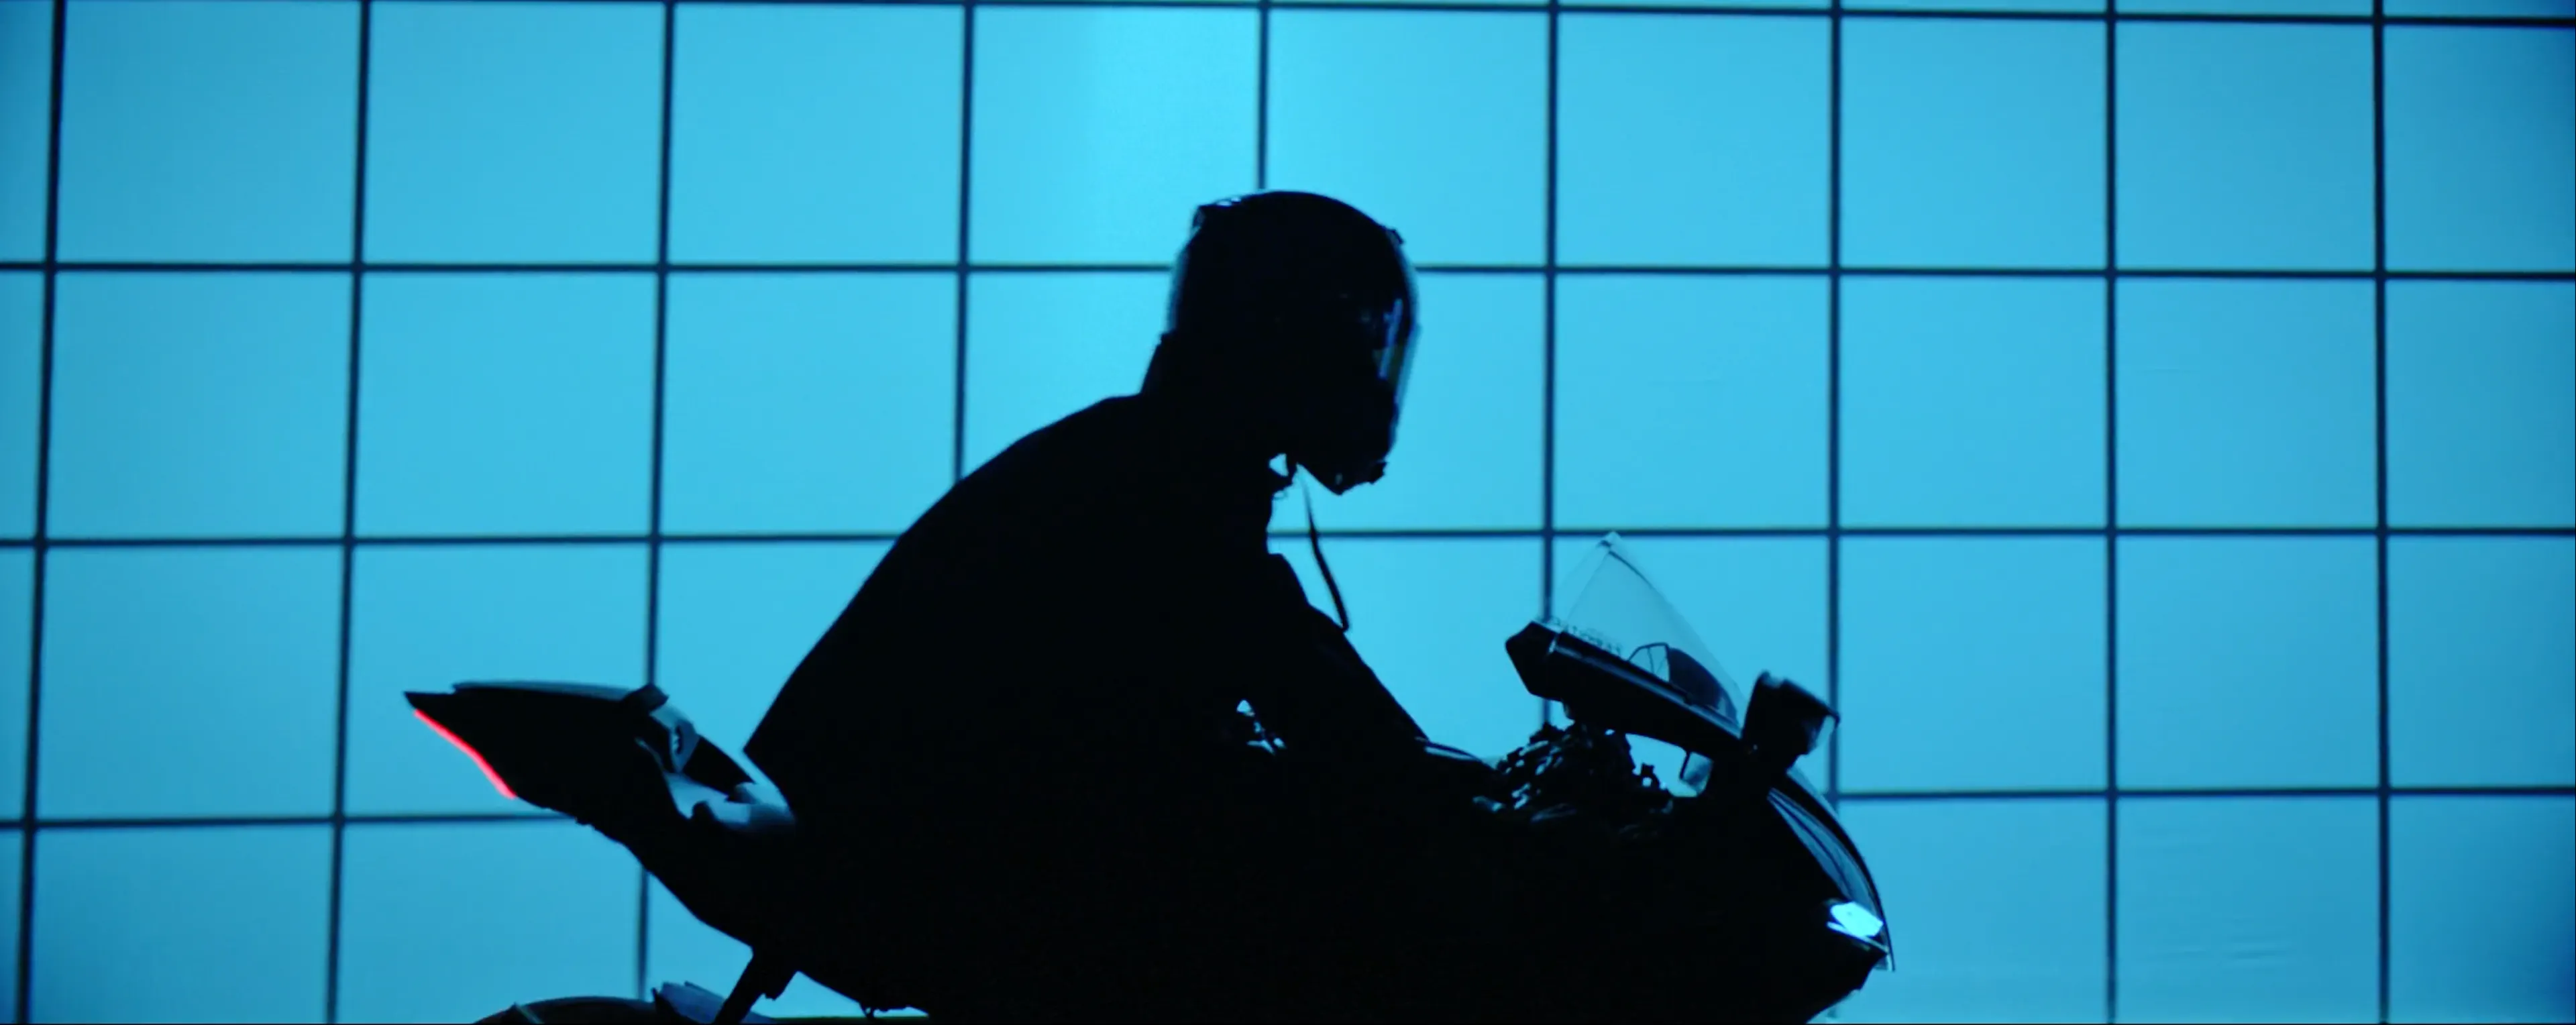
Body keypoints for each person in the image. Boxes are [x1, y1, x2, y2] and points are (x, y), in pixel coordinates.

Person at [743, 191, 1478, 1020]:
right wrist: (1454, 805)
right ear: (1295, 340)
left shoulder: (1138, 448)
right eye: (1360, 347)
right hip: (933, 870)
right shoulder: (1172, 484)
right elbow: (1307, 687)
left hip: (893, 835)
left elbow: (1268, 650)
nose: (1370, 379)